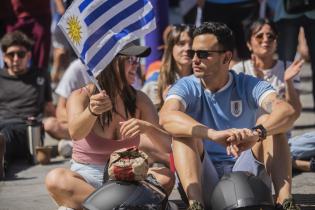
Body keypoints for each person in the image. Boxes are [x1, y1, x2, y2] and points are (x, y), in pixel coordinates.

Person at [159, 22, 300, 210]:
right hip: (203, 178)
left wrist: (256, 134)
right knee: (183, 133)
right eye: (193, 53)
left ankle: (285, 202)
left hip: (246, 176)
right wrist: (211, 134)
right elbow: (166, 116)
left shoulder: (248, 84)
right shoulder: (186, 85)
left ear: (226, 57)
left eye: (203, 54)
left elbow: (287, 112)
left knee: (269, 124)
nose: (194, 59)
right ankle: (195, 205)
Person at [45, 43, 174, 209]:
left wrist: (147, 128)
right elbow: (75, 133)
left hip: (129, 177)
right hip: (88, 177)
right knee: (55, 178)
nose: (137, 64)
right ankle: (127, 206)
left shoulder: (139, 99)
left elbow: (167, 147)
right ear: (109, 62)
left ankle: (97, 207)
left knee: (166, 176)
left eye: (136, 59)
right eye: (130, 59)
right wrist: (91, 111)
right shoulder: (81, 97)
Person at [0, 31, 56, 179]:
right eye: (11, 55)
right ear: (4, 57)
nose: (16, 59)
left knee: (5, 135)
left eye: (21, 54)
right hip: (3, 126)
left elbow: (49, 108)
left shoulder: (40, 75)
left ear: (29, 56)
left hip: (29, 131)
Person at [44, 58, 90, 157]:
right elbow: (60, 111)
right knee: (50, 124)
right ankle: (78, 143)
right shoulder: (77, 67)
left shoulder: (113, 66)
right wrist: (85, 119)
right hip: (82, 124)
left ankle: (73, 144)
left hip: (107, 126)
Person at [274, 1, 315, 111]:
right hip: (286, 12)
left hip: (312, 13)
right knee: (285, 66)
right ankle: (283, 112)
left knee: (285, 66)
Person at [142, 24, 194, 109]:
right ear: (171, 48)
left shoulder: (204, 80)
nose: (188, 48)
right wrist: (167, 104)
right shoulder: (156, 82)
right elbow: (145, 118)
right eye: (181, 43)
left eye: (191, 44)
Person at [0, 0, 52, 71]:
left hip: (40, 13)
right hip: (11, 13)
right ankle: (9, 79)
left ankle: (39, 78)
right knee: (10, 51)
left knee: (41, 60)